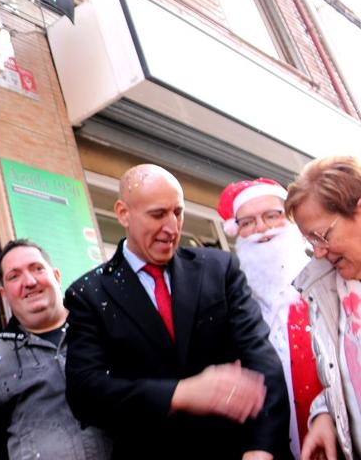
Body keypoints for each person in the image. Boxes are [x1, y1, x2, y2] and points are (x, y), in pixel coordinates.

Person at [64, 163, 291, 460]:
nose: (172, 228)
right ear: (123, 213)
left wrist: (261, 447)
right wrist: (179, 394)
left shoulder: (219, 269)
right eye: (158, 214)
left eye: (178, 212)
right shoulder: (89, 294)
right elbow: (86, 393)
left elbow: (262, 360)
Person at [0, 239, 111, 460]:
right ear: (5, 295)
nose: (30, 281)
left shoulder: (103, 331)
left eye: (37, 268)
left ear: (57, 276)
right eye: (14, 276)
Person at [217, 178, 322, 459]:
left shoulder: (327, 285)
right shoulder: (232, 306)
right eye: (248, 222)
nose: (261, 229)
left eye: (271, 216)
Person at [286, 155, 361, 460]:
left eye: (322, 236)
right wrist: (324, 415)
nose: (318, 252)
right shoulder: (327, 290)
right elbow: (342, 380)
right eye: (310, 241)